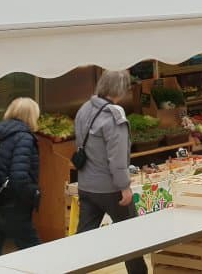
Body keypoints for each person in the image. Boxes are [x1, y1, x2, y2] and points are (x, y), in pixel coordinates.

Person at [74, 70, 147, 274]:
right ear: (120, 89)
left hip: (86, 185)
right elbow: (117, 157)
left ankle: (72, 269)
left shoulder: (83, 109)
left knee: (83, 237)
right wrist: (124, 186)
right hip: (110, 187)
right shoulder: (113, 115)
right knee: (131, 238)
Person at [0, 97, 41, 259]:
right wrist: (34, 194)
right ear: (31, 116)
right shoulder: (24, 138)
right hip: (14, 205)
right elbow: (19, 177)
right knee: (35, 251)